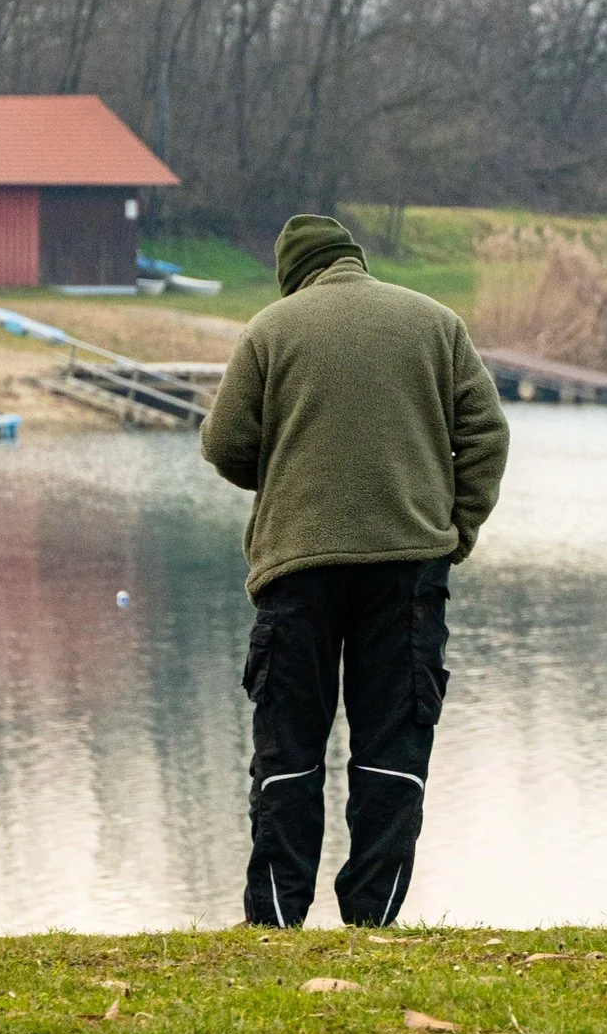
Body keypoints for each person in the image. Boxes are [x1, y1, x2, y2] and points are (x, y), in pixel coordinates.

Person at [199, 214, 510, 929]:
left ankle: (277, 922)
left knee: (290, 749)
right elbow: (486, 434)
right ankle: (373, 921)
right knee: (391, 749)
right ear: (355, 260)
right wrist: (454, 529)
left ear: (294, 274)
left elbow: (223, 444)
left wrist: (287, 471)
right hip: (407, 567)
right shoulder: (436, 323)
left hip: (295, 567)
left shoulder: (271, 330)